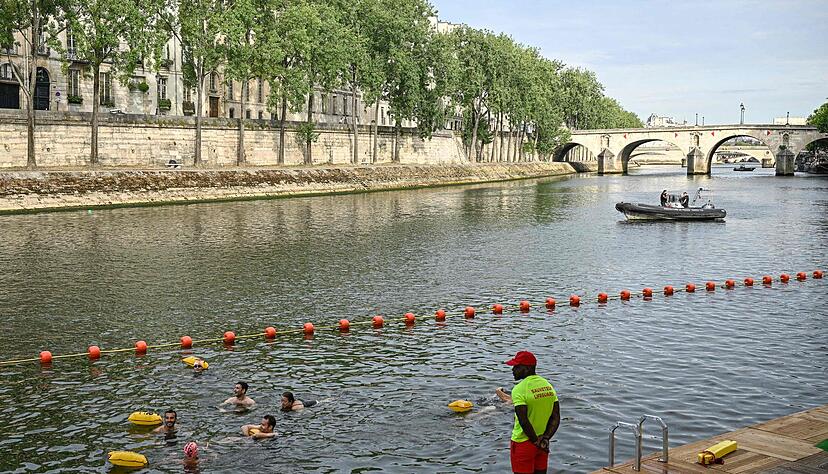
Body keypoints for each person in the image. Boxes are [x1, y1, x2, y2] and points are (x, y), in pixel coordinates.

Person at [505, 351, 560, 474]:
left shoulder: (519, 389)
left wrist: (535, 441)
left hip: (523, 443)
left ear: (527, 368)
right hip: (543, 443)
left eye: (517, 367)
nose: (513, 370)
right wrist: (545, 438)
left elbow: (523, 421)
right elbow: (556, 417)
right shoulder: (548, 386)